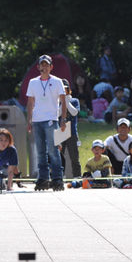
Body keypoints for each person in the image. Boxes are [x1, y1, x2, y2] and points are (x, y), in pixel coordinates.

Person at [26, 54, 67, 191]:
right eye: (42, 65)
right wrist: (29, 120)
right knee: (40, 151)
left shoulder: (57, 81)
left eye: (47, 65)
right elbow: (30, 102)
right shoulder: (33, 82)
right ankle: (43, 178)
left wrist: (63, 119)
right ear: (38, 67)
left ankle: (57, 179)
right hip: (37, 120)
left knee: (53, 150)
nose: (44, 67)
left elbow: (63, 101)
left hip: (51, 119)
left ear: (51, 67)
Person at [60, 79, 81, 177]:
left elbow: (74, 112)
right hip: (60, 131)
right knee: (59, 156)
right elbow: (57, 114)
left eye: (66, 89)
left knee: (74, 157)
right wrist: (62, 101)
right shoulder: (57, 102)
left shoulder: (75, 101)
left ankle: (77, 177)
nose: (64, 91)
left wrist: (67, 101)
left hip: (72, 132)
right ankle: (60, 176)